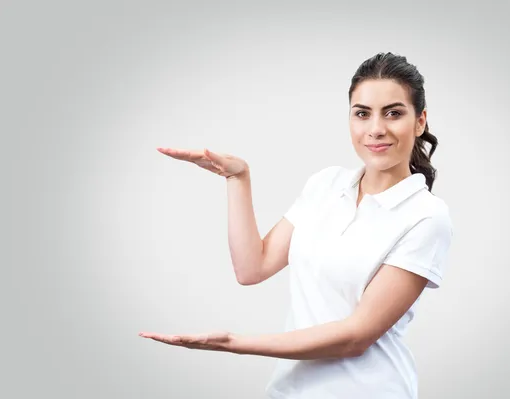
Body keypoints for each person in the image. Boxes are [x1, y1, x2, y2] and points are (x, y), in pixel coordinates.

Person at [139, 52, 454, 399]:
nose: (376, 128)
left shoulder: (426, 216)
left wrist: (235, 344)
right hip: (291, 391)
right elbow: (251, 267)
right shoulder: (326, 185)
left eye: (393, 113)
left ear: (420, 121)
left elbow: (355, 337)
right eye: (362, 114)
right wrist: (237, 178)